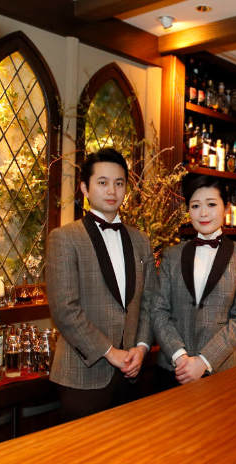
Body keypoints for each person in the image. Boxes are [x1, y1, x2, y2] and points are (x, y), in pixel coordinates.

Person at [46, 147, 156, 421]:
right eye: (102, 182)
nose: (112, 191)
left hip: (131, 373)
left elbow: (149, 302)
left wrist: (141, 347)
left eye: (119, 183)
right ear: (85, 187)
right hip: (82, 375)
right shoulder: (65, 238)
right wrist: (110, 352)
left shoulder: (141, 240)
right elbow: (65, 309)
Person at [152, 174, 236, 389]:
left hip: (222, 370)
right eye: (195, 206)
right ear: (188, 211)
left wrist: (203, 361)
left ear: (226, 208)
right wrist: (180, 356)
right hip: (173, 370)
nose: (203, 213)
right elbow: (158, 310)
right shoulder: (171, 255)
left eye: (211, 204)